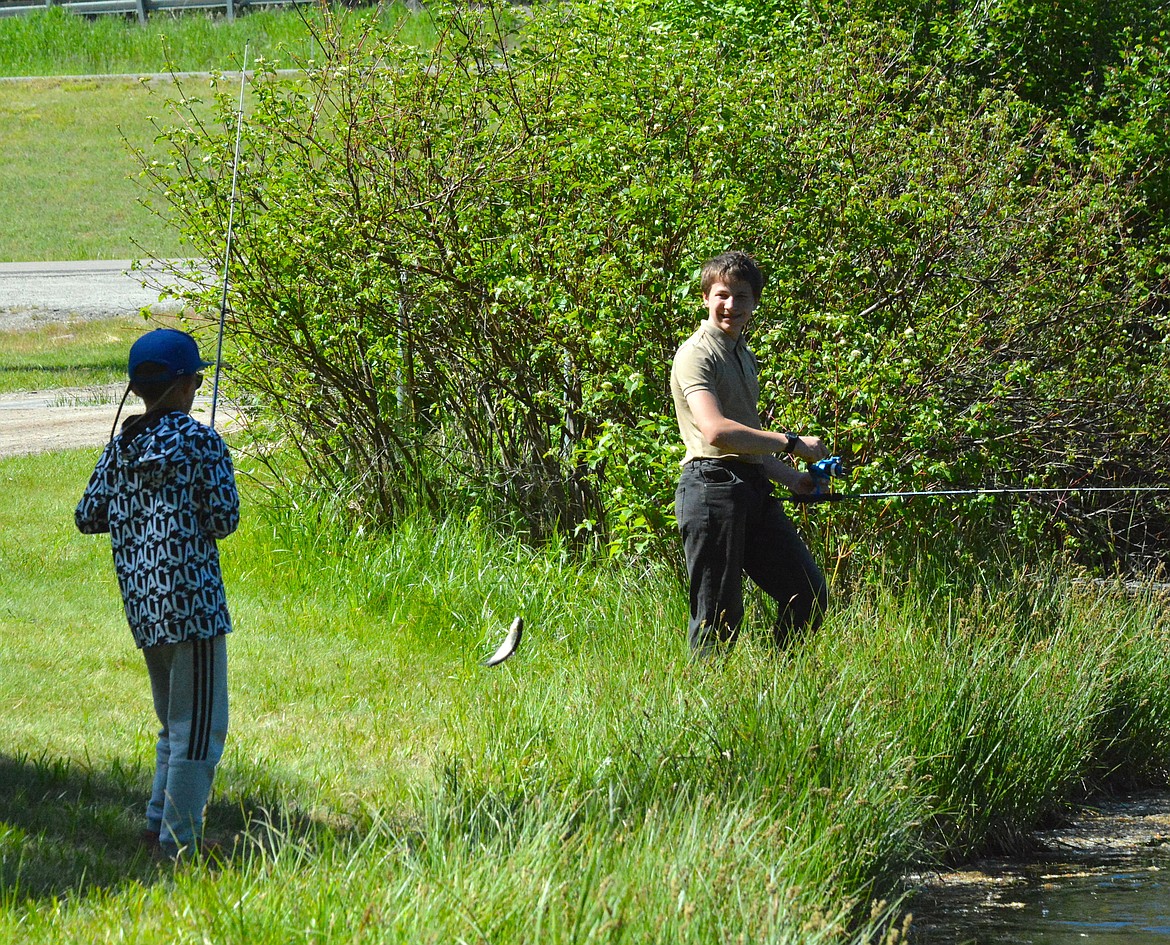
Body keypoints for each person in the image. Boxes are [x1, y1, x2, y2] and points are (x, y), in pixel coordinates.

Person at [76, 328, 239, 860]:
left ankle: (156, 828)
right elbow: (224, 519)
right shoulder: (202, 442)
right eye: (195, 377)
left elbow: (88, 516)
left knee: (174, 724)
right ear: (185, 387)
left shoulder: (121, 447)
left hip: (144, 607)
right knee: (200, 732)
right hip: (193, 607)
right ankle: (179, 845)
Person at [671, 251, 829, 655]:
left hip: (752, 489)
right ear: (706, 297)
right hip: (710, 488)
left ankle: (777, 690)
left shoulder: (742, 354)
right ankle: (702, 707)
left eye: (742, 296)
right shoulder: (697, 354)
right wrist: (793, 444)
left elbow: (747, 443)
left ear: (754, 302)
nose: (731, 305)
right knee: (718, 617)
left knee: (806, 593)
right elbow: (718, 433)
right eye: (722, 294)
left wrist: (794, 478)